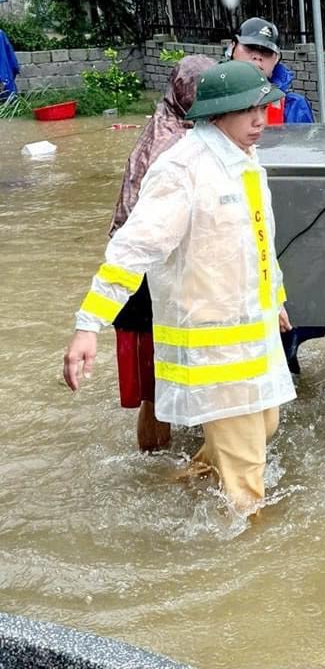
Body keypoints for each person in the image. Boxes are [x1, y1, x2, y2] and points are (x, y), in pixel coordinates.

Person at [63, 61, 296, 513]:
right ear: (215, 114)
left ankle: (191, 477)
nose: (259, 121)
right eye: (246, 111)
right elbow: (132, 249)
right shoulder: (182, 169)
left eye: (262, 109)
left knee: (265, 424)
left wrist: (277, 299)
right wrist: (88, 324)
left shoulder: (245, 161)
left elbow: (259, 240)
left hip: (252, 335)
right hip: (212, 344)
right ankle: (249, 542)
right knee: (248, 466)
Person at [110, 54, 214, 452]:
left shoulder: (163, 125)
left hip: (138, 274)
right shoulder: (178, 145)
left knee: (161, 384)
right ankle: (166, 463)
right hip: (154, 278)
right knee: (162, 384)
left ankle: (158, 463)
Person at [228, 15, 325, 374]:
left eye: (265, 54)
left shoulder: (294, 106)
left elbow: (310, 171)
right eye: (250, 50)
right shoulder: (209, 99)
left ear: (276, 60)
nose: (257, 59)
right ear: (233, 48)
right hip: (230, 229)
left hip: (281, 228)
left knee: (285, 337)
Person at [227, 16, 315, 123]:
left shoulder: (294, 107)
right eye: (250, 47)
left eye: (266, 51)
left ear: (277, 58)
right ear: (232, 48)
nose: (258, 56)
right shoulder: (210, 97)